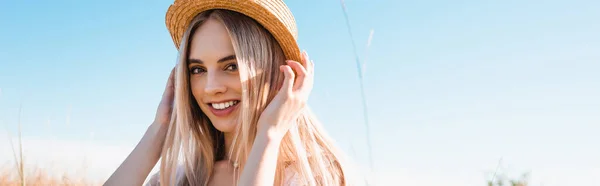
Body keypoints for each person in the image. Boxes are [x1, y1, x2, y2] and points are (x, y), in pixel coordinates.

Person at [104, 0, 353, 185]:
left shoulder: (314, 176)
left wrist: (270, 134)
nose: (212, 87)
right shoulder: (175, 179)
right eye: (198, 69)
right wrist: (160, 129)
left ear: (279, 73)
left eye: (231, 66)